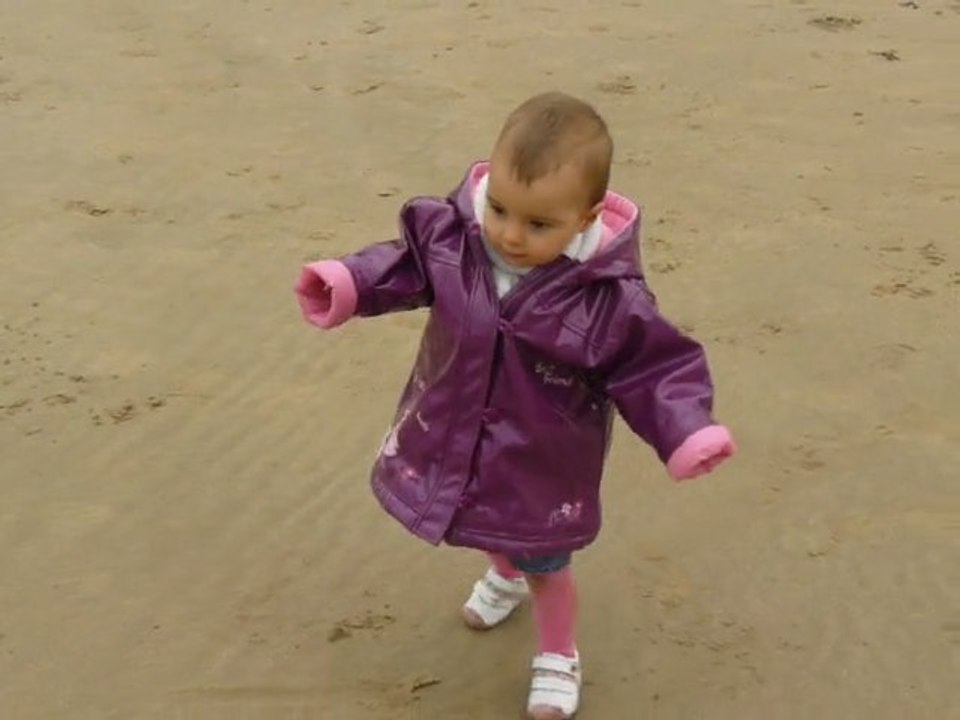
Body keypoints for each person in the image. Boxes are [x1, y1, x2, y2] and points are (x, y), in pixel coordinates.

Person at [294, 91, 735, 719]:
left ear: (584, 221)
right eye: (500, 208)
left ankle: (558, 654)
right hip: (458, 424)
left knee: (547, 559)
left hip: (543, 454)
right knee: (481, 513)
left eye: (538, 224)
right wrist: (348, 281)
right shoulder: (457, 240)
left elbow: (656, 366)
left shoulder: (606, 300)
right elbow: (405, 266)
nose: (510, 234)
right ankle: (504, 575)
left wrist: (686, 431)